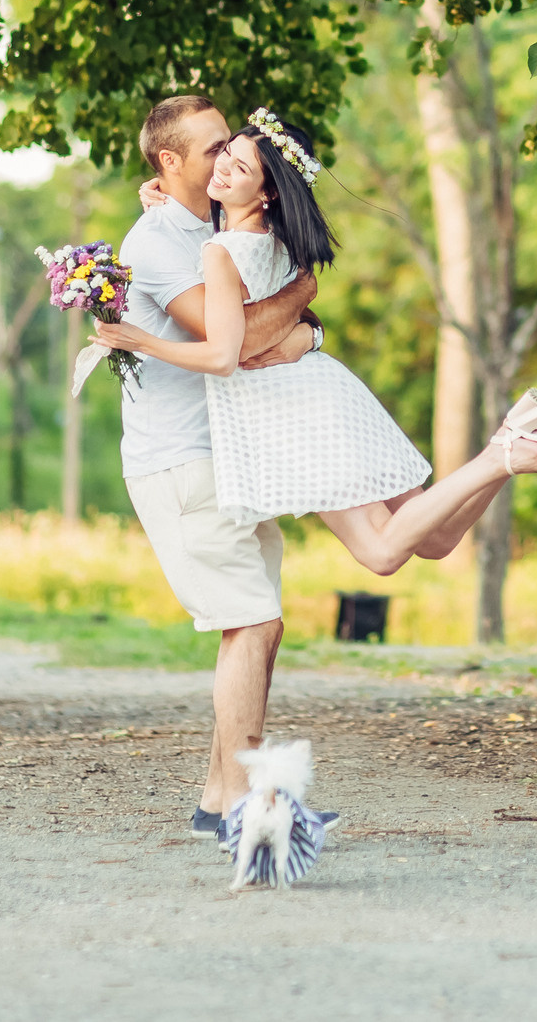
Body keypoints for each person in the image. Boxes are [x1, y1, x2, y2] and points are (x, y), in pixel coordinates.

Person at [97, 108, 537, 576]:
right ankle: (514, 436)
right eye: (221, 155)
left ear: (266, 191)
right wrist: (162, 194)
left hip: (293, 411)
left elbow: (226, 354)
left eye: (236, 163)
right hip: (326, 388)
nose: (221, 168)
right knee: (438, 540)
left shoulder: (219, 250)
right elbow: (274, 296)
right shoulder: (275, 235)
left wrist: (139, 339)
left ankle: (505, 453)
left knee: (381, 553)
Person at [113, 94, 333, 839]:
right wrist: (303, 295)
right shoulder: (157, 241)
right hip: (180, 460)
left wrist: (300, 320)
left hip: (234, 453)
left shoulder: (204, 222)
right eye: (212, 149)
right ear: (169, 162)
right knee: (251, 620)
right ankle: (248, 806)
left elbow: (257, 319)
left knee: (260, 629)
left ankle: (217, 797)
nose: (229, 160)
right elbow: (228, 340)